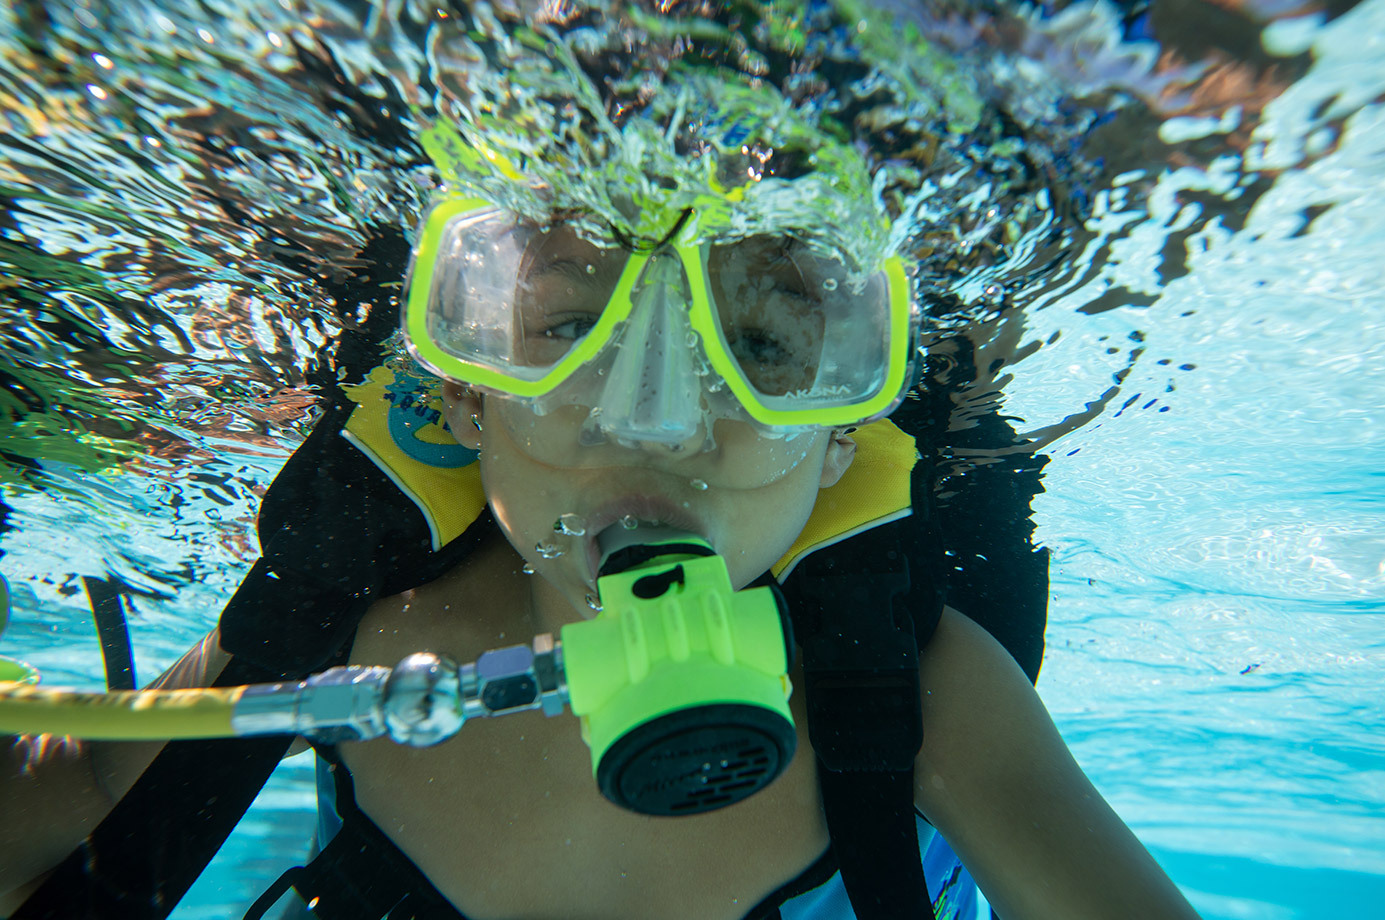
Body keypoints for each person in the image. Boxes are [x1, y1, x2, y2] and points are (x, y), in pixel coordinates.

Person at [1, 2, 1204, 918]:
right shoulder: (343, 629)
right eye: (573, 327)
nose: (658, 422)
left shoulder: (919, 692)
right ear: (466, 395)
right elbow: (88, 795)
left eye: (761, 344)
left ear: (846, 429)